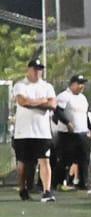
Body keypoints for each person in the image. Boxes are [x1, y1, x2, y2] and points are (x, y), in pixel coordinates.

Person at [12, 57, 56, 202]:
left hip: (42, 132)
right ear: (29, 70)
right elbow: (22, 101)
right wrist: (42, 101)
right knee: (23, 163)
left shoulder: (47, 87)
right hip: (23, 132)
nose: (37, 72)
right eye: (35, 69)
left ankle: (47, 191)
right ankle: (22, 188)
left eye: (39, 69)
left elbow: (52, 104)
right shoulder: (20, 85)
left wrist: (33, 103)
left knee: (45, 160)